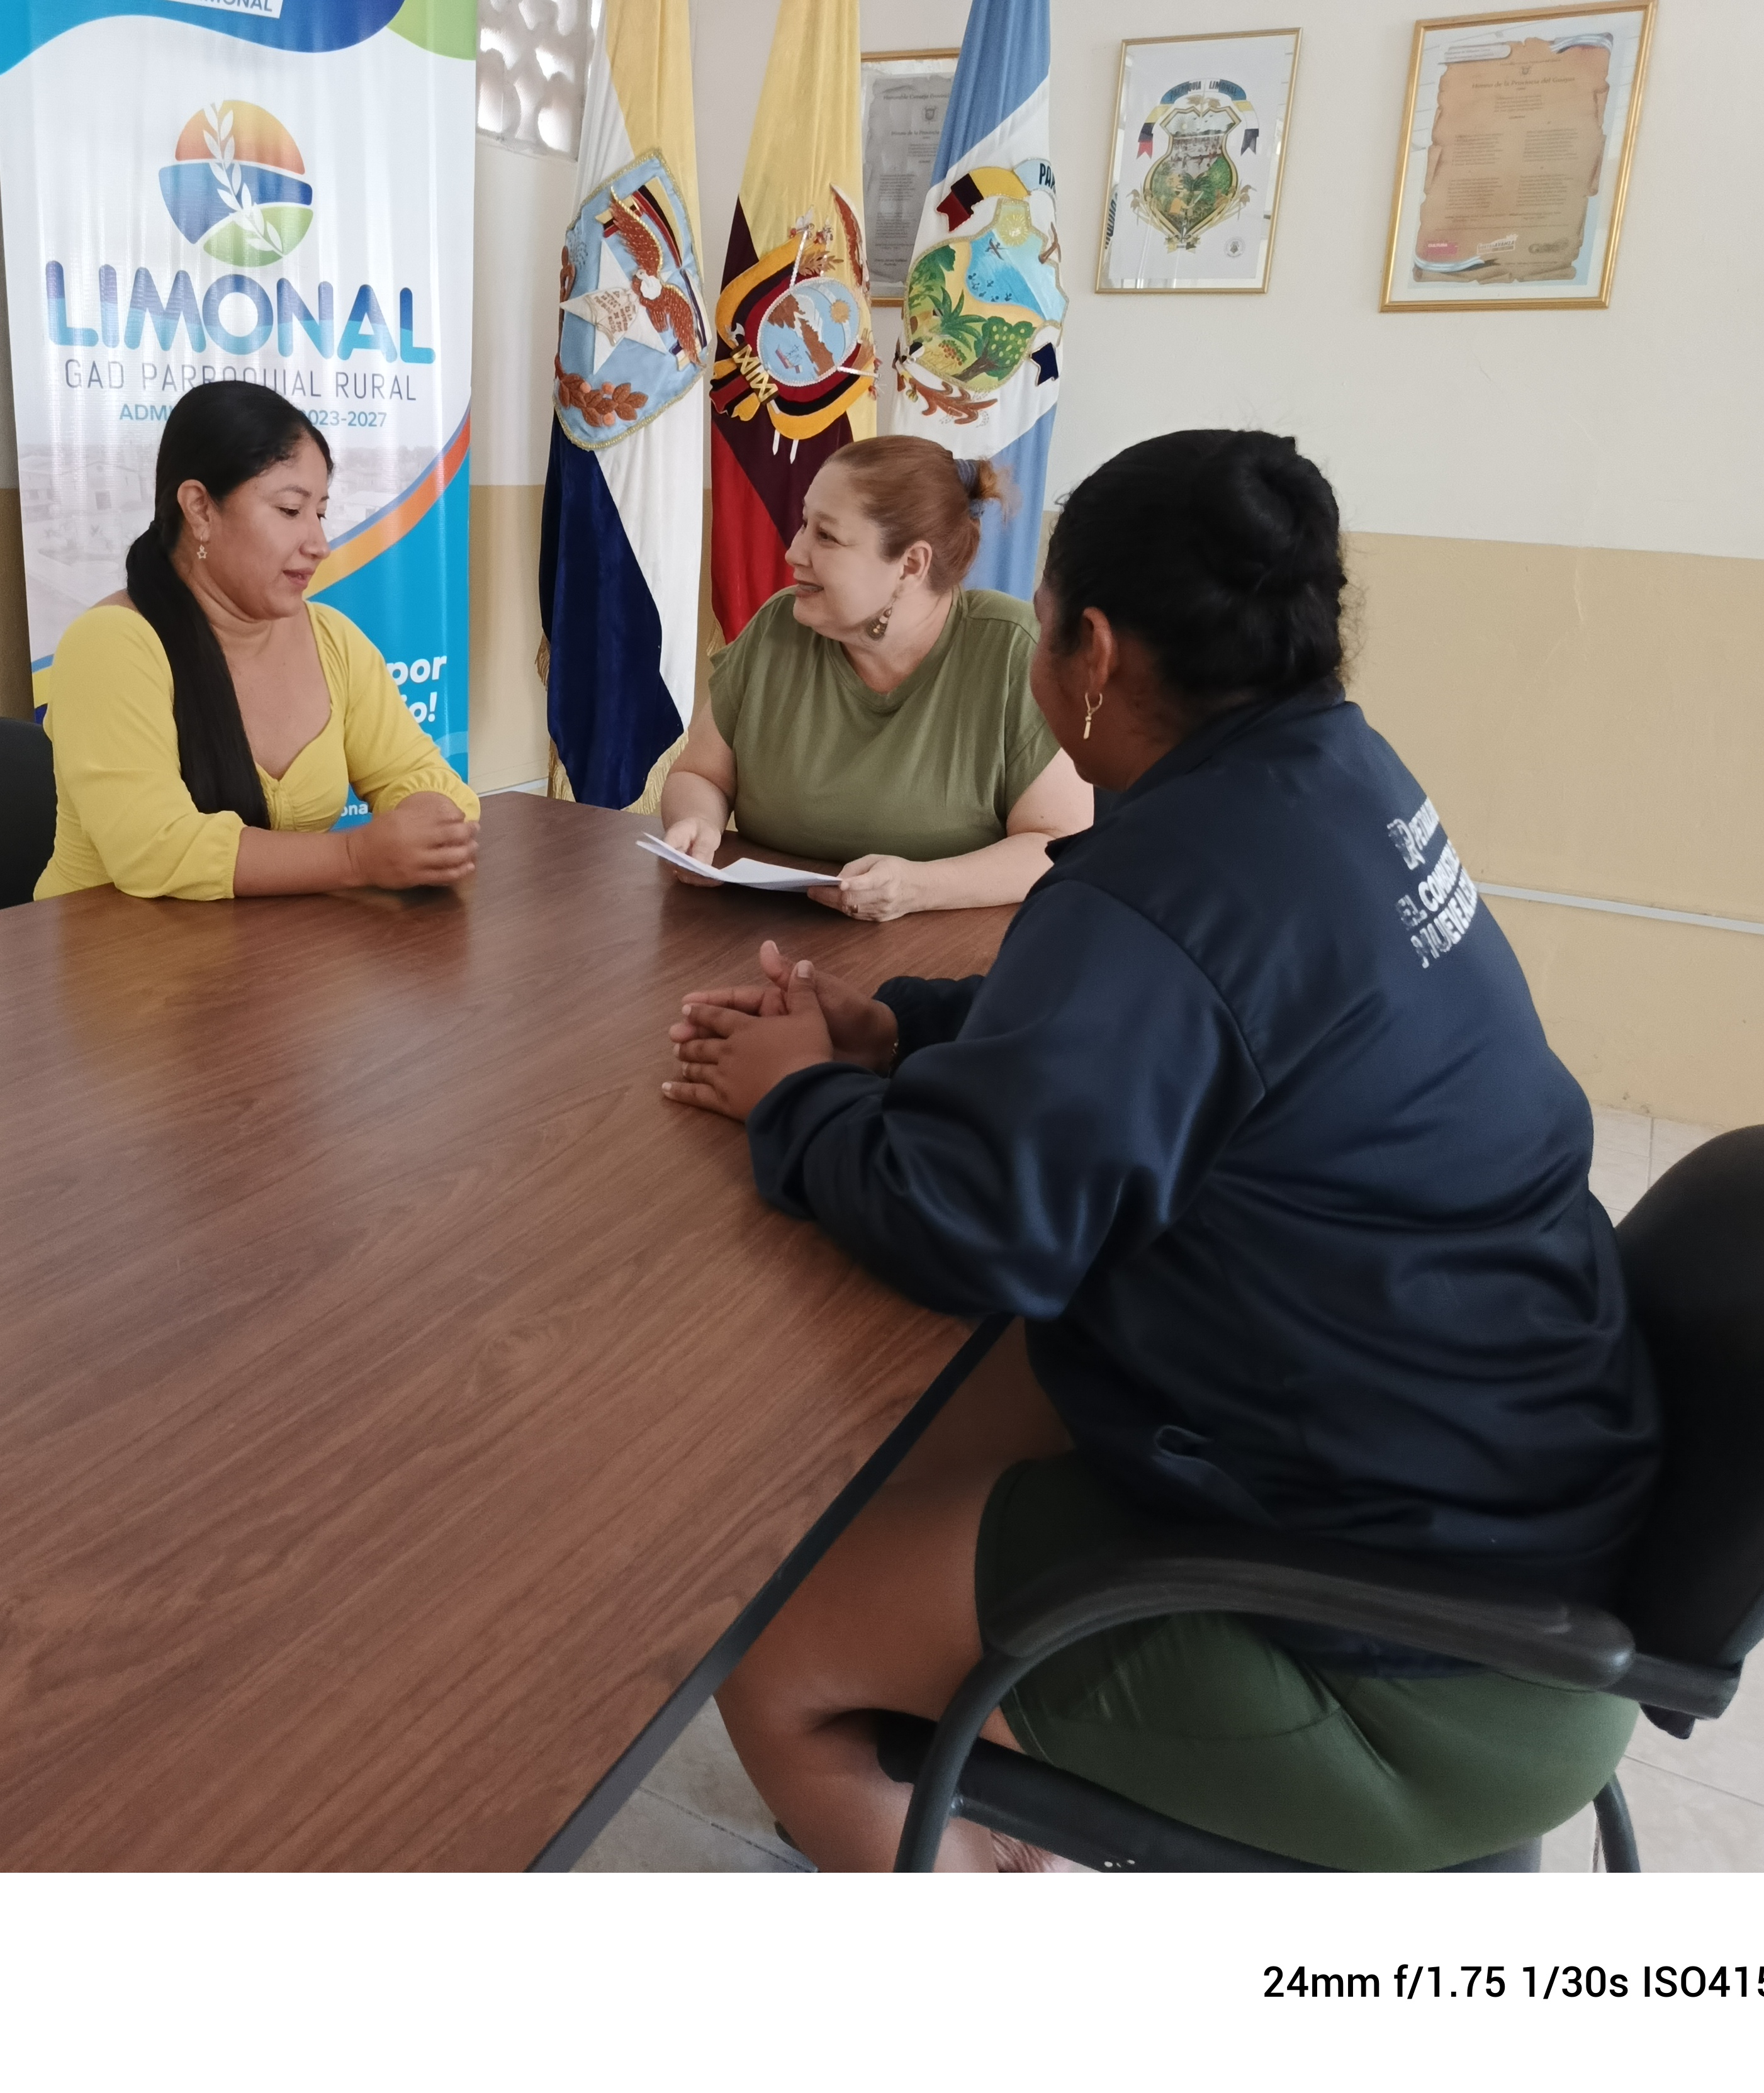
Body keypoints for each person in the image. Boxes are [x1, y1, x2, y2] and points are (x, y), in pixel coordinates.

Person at [658, 430, 1660, 1872]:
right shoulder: (1334, 776)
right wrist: (899, 1030)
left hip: (1417, 1660)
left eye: (1041, 623)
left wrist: (794, 1095)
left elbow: (970, 1228)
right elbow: (1166, 1029)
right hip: (1515, 1508)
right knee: (888, 1452)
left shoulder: (1157, 884)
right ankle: (984, 1775)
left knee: (758, 1647)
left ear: (1096, 655)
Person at [35, 383, 480, 904]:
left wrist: (428, 822)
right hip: (116, 948)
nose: (319, 545)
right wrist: (355, 858)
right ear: (200, 509)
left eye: (320, 513)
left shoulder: (333, 640)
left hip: (274, 948)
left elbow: (427, 778)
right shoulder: (110, 644)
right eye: (290, 510)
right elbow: (154, 850)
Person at [656, 435, 1090, 921]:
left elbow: (1058, 845)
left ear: (911, 565)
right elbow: (701, 775)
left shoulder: (1014, 648)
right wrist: (697, 823)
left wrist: (918, 888)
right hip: (754, 932)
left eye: (826, 536)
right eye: (804, 524)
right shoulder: (777, 625)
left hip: (947, 949)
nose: (794, 552)